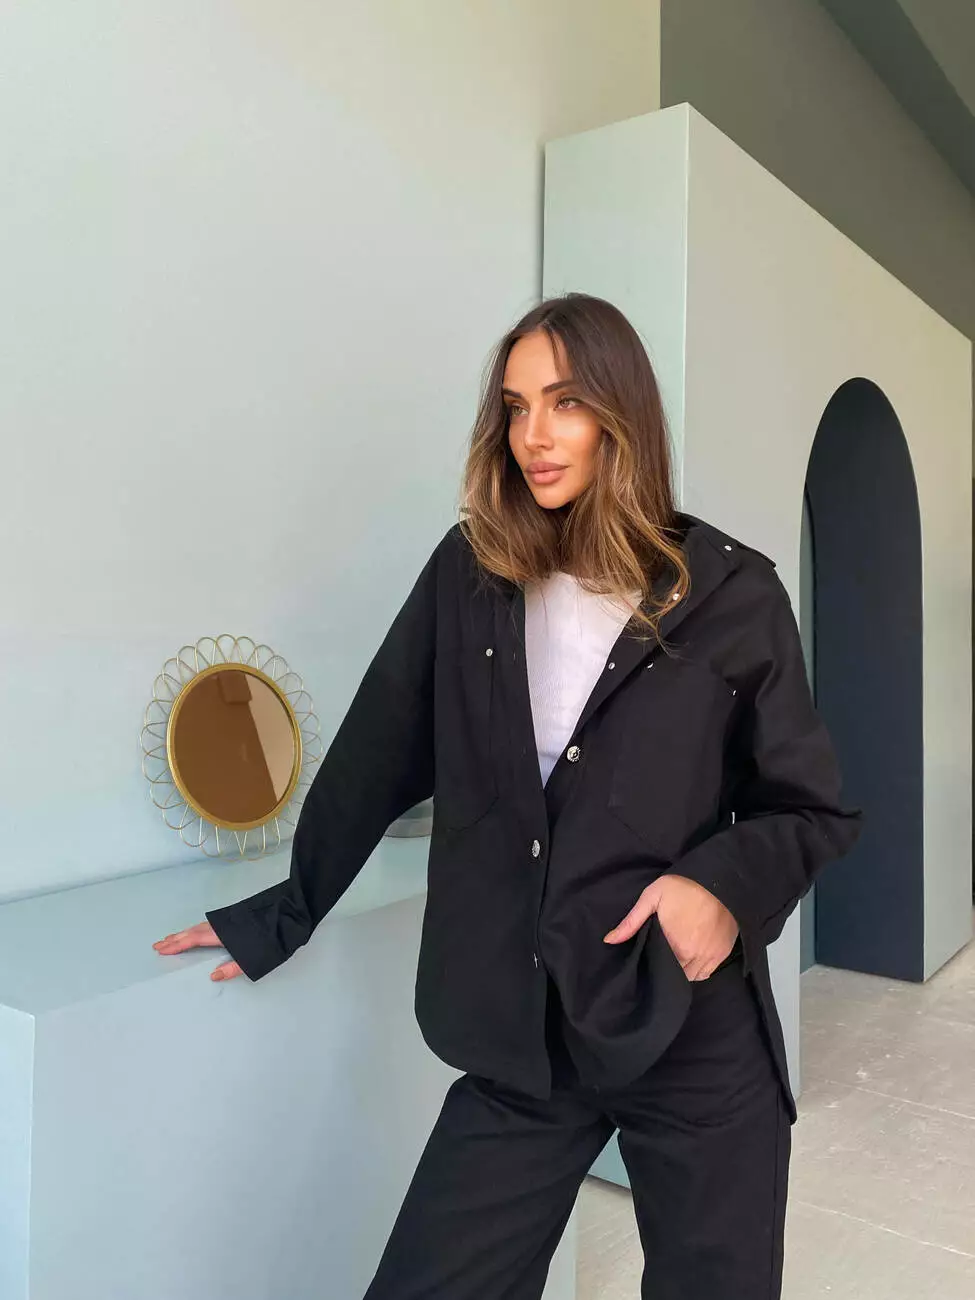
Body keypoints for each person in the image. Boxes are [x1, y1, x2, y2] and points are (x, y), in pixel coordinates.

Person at [155, 293, 861, 1299]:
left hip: (690, 1029)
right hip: (522, 1032)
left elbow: (810, 809)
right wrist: (286, 910)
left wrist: (720, 886)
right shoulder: (471, 573)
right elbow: (374, 755)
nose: (534, 434)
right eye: (516, 406)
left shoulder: (733, 596)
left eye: (565, 402)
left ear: (621, 413)